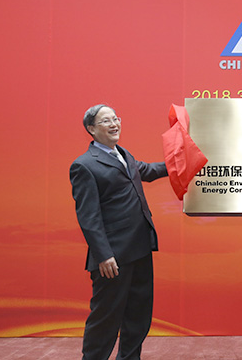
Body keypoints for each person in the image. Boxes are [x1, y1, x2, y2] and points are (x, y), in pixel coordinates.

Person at [70, 104, 168, 360]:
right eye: (106, 121)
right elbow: (89, 217)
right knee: (106, 318)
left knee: (138, 315)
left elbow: (148, 171)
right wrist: (104, 255)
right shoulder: (84, 165)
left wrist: (182, 162)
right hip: (112, 258)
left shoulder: (124, 155)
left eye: (116, 119)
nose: (114, 124)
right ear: (91, 129)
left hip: (140, 249)